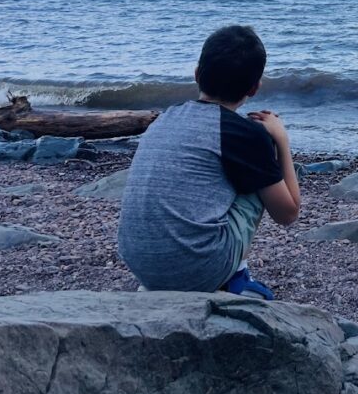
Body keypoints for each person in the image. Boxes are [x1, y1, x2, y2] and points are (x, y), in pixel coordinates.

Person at [118, 25, 300, 299]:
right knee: (259, 165)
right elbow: (288, 213)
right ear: (254, 88)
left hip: (140, 264)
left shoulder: (165, 118)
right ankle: (234, 278)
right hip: (199, 269)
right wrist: (281, 140)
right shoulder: (242, 133)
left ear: (196, 73)